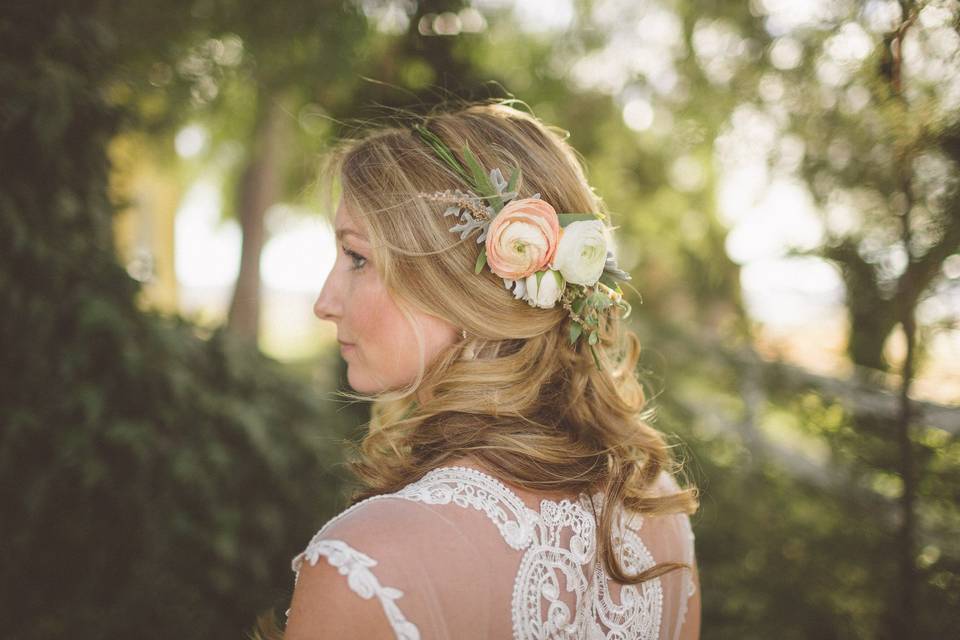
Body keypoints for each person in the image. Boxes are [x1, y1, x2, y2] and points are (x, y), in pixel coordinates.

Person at [275, 100, 701, 639]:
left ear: (462, 286)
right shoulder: (657, 507)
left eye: (357, 258)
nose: (325, 301)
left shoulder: (364, 564)